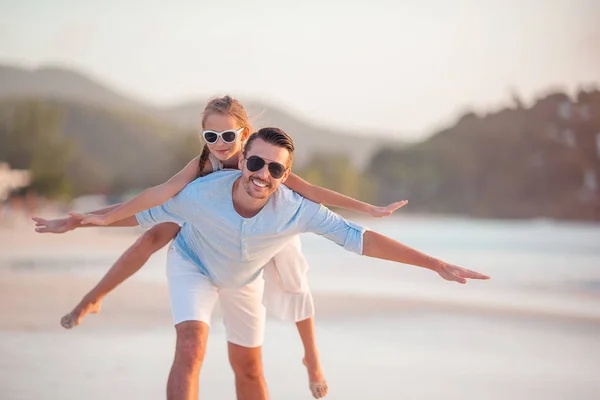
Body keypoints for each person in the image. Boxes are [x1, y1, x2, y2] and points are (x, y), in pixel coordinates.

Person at [35, 127, 489, 400]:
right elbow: (145, 217)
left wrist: (435, 264)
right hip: (193, 265)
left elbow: (360, 239)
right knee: (191, 346)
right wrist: (78, 224)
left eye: (275, 169)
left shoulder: (297, 208)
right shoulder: (201, 194)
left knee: (250, 371)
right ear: (242, 161)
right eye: (256, 162)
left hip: (245, 281)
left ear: (285, 176)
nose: (262, 174)